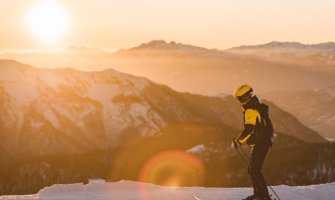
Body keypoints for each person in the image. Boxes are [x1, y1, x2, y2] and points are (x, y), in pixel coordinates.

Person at [231, 85, 273, 200]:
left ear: (245, 97)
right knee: (253, 169)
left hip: (261, 143)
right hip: (263, 141)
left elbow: (249, 129)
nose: (239, 101)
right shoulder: (257, 105)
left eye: (239, 98)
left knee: (254, 170)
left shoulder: (250, 110)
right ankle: (259, 194)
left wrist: (238, 141)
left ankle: (262, 196)